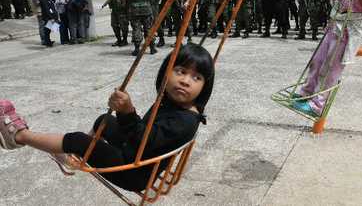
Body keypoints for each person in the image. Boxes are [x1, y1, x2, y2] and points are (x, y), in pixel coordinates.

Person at [0, 43, 215, 192]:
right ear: (165, 73)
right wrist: (124, 113)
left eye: (196, 77)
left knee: (78, 140)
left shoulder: (185, 120)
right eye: (180, 71)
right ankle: (75, 158)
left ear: (205, 86)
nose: (186, 81)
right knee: (105, 120)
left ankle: (19, 136)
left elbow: (145, 141)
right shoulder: (170, 100)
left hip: (135, 171)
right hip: (135, 151)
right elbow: (146, 133)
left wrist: (128, 112)